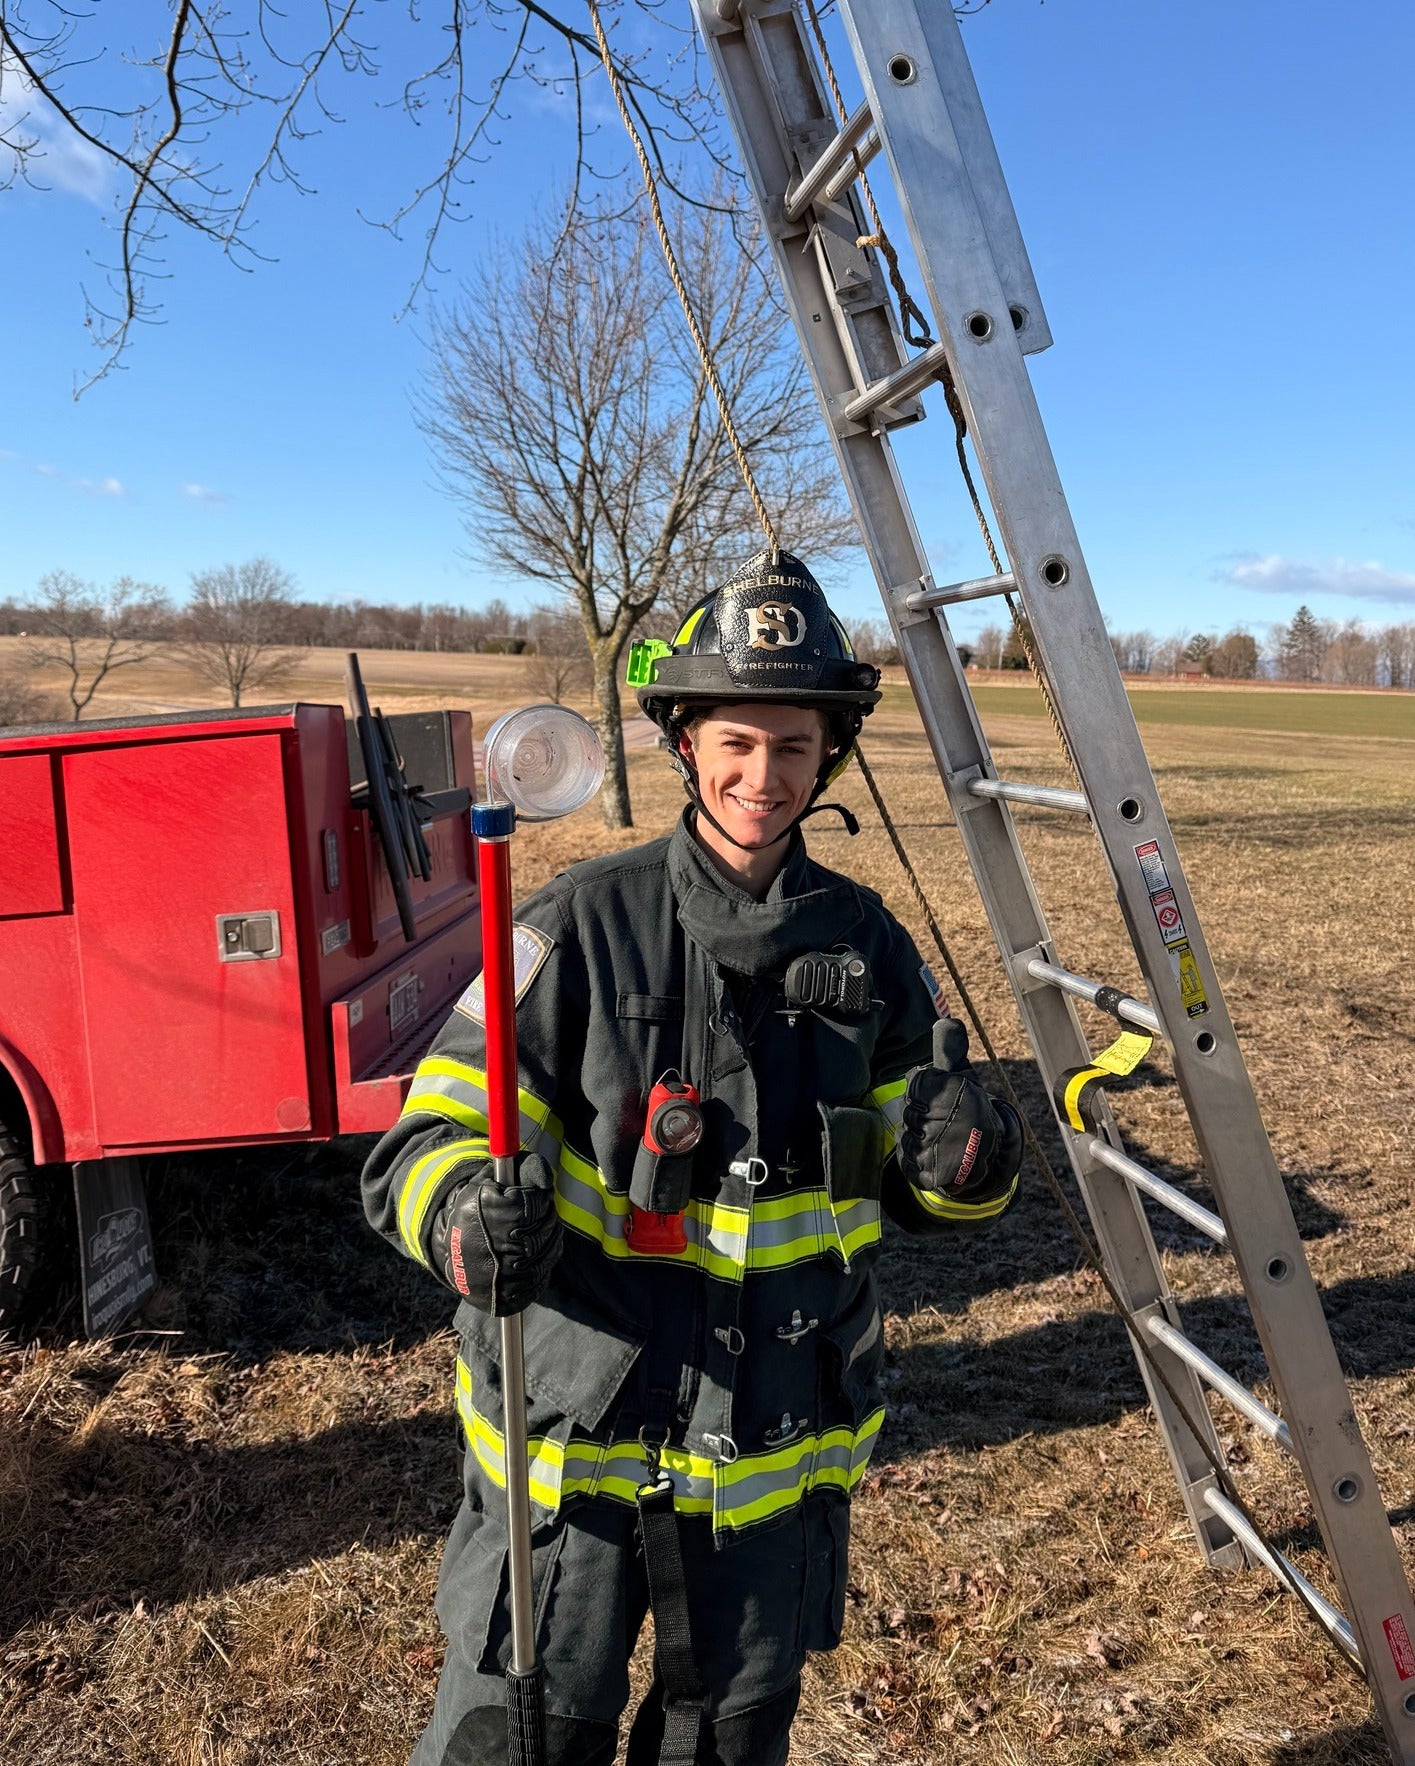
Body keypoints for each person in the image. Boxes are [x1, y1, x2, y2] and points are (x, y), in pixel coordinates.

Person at [362, 549, 1024, 1766]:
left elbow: (920, 1169)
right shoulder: (566, 926)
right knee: (513, 1741)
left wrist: (961, 1158)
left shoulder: (866, 943)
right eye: (733, 741)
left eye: (789, 745)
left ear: (826, 751)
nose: (759, 776)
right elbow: (424, 1130)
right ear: (682, 741)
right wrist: (461, 1212)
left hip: (766, 1467)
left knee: (721, 1746)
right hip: (570, 1467)